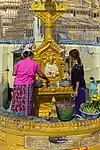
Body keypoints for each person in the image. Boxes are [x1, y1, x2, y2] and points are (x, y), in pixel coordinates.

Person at [11, 48, 49, 116]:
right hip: (27, 85)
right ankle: (26, 116)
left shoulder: (19, 62)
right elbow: (41, 75)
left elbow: (14, 73)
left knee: (17, 100)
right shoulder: (34, 63)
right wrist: (46, 78)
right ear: (31, 55)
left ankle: (16, 115)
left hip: (17, 84)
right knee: (26, 101)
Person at [69, 49, 86, 115]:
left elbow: (77, 80)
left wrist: (76, 90)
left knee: (79, 103)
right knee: (78, 103)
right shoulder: (79, 64)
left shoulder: (77, 67)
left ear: (72, 56)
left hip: (79, 87)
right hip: (80, 86)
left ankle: (79, 116)